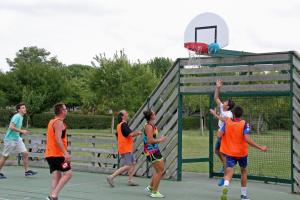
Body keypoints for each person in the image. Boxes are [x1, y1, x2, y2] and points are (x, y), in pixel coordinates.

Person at [210, 106, 267, 200]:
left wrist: (224, 133)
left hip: (230, 153)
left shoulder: (227, 122)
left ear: (233, 114)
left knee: (229, 172)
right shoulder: (244, 124)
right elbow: (247, 139)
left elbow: (219, 135)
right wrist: (260, 147)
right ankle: (243, 196)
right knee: (243, 171)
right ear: (241, 115)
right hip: (242, 153)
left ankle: (225, 186)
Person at [0, 102, 37, 179]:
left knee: (25, 153)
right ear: (18, 110)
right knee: (5, 156)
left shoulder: (21, 117)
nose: (25, 109)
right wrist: (22, 131)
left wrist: (21, 131)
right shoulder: (17, 116)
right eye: (23, 108)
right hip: (10, 139)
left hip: (17, 139)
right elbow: (11, 127)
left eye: (25, 107)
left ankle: (27, 172)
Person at [107, 110, 141, 187]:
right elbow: (130, 134)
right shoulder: (124, 125)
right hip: (126, 148)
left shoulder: (119, 125)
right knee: (128, 165)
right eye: (126, 113)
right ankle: (111, 177)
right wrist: (138, 133)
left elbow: (117, 135)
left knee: (133, 163)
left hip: (126, 147)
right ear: (122, 116)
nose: (128, 114)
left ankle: (130, 180)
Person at [45, 103, 72, 200]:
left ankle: (51, 196)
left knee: (57, 176)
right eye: (65, 109)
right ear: (61, 111)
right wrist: (65, 153)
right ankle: (54, 195)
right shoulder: (59, 122)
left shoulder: (52, 121)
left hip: (50, 154)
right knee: (68, 174)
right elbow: (57, 139)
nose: (66, 110)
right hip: (58, 155)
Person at [213, 79, 235, 186]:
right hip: (220, 134)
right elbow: (216, 98)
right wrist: (218, 87)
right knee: (216, 151)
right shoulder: (223, 107)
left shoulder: (229, 114)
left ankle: (225, 177)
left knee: (224, 155)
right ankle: (225, 166)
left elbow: (223, 120)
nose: (224, 102)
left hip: (225, 136)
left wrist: (214, 114)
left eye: (226, 102)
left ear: (228, 106)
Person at [143, 110, 167, 198]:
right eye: (153, 113)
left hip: (154, 150)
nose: (155, 114)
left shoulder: (152, 125)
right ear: (151, 116)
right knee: (160, 171)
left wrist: (159, 138)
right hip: (151, 151)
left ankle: (151, 187)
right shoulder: (149, 126)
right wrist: (161, 140)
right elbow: (149, 141)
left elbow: (152, 138)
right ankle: (155, 192)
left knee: (159, 170)